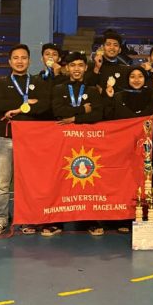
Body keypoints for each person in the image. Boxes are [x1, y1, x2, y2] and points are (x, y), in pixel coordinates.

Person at [0, 44, 51, 237]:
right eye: (16, 58)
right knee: (2, 182)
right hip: (7, 138)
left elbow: (45, 105)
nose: (20, 61)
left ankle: (27, 218)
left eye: (23, 57)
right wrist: (28, 103)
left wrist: (16, 109)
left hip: (31, 140)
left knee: (29, 182)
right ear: (9, 61)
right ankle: (0, 219)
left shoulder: (38, 82)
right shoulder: (1, 82)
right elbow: (0, 104)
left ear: (29, 61)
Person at [103, 65, 153, 233]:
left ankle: (144, 216)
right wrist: (108, 98)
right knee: (122, 183)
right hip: (122, 151)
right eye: (132, 76)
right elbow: (108, 117)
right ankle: (121, 218)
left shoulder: (152, 96)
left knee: (145, 182)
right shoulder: (118, 96)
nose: (136, 80)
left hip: (145, 153)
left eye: (140, 76)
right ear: (127, 79)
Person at [53, 51, 105, 236]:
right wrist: (83, 109)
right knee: (61, 179)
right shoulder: (59, 88)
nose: (76, 69)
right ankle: (57, 221)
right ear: (67, 68)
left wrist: (74, 118)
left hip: (85, 141)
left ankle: (89, 220)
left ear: (85, 68)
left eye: (80, 65)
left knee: (87, 180)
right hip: (64, 141)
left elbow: (97, 114)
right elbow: (58, 110)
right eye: (73, 65)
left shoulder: (92, 90)